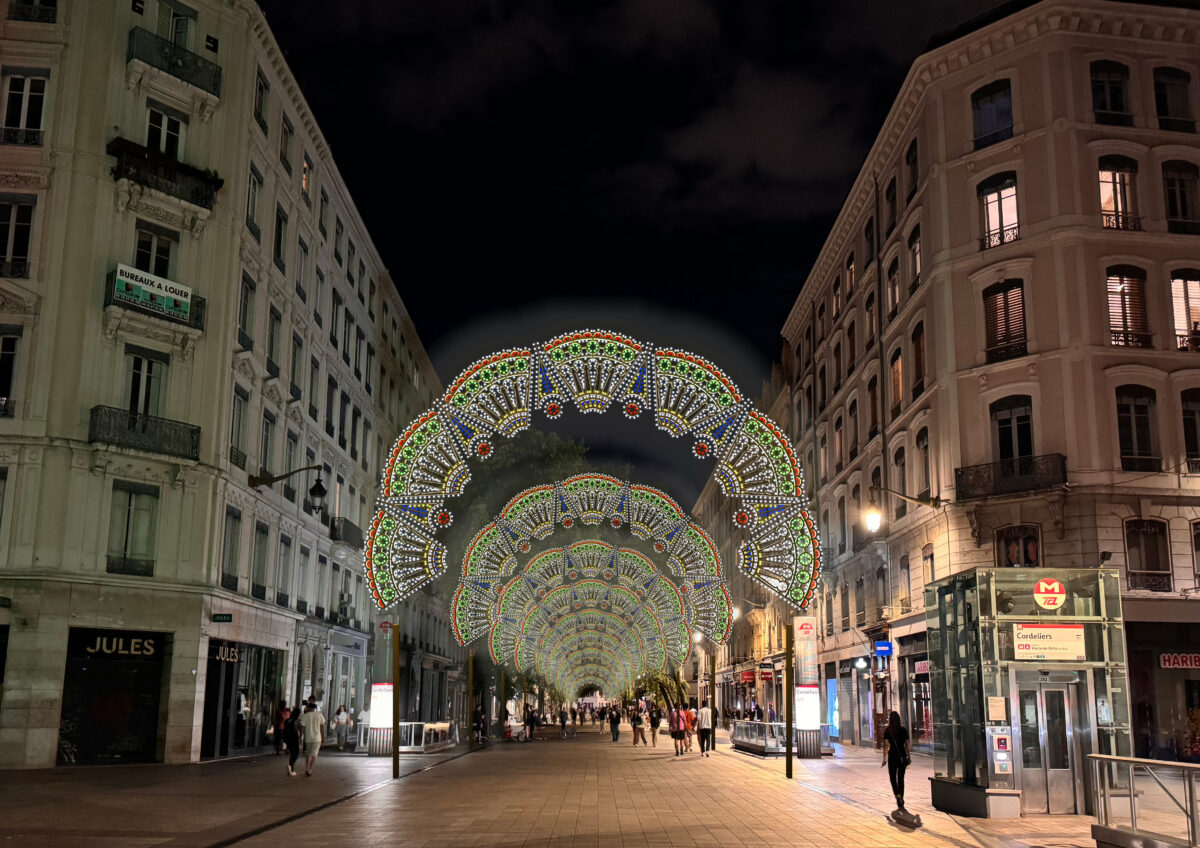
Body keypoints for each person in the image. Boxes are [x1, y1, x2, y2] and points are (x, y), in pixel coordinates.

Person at [881, 710, 912, 810]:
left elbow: (886, 746)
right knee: (901, 779)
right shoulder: (902, 729)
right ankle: (901, 798)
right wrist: (909, 756)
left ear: (890, 719)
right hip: (902, 756)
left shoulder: (887, 730)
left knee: (893, 778)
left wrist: (884, 758)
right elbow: (907, 744)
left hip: (893, 756)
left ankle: (897, 795)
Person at [300, 701, 325, 777]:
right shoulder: (320, 715)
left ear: (308, 708)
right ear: (315, 708)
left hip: (308, 738)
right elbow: (322, 726)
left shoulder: (305, 716)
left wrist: (300, 737)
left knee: (308, 754)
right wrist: (323, 736)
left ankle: (306, 769)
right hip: (317, 738)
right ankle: (310, 770)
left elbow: (303, 728)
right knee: (314, 755)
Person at [282, 705, 302, 776]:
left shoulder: (287, 720)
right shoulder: (297, 721)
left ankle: (291, 767)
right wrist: (300, 738)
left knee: (292, 753)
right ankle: (291, 766)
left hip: (288, 739)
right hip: (294, 738)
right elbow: (299, 730)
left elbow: (285, 730)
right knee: (295, 753)